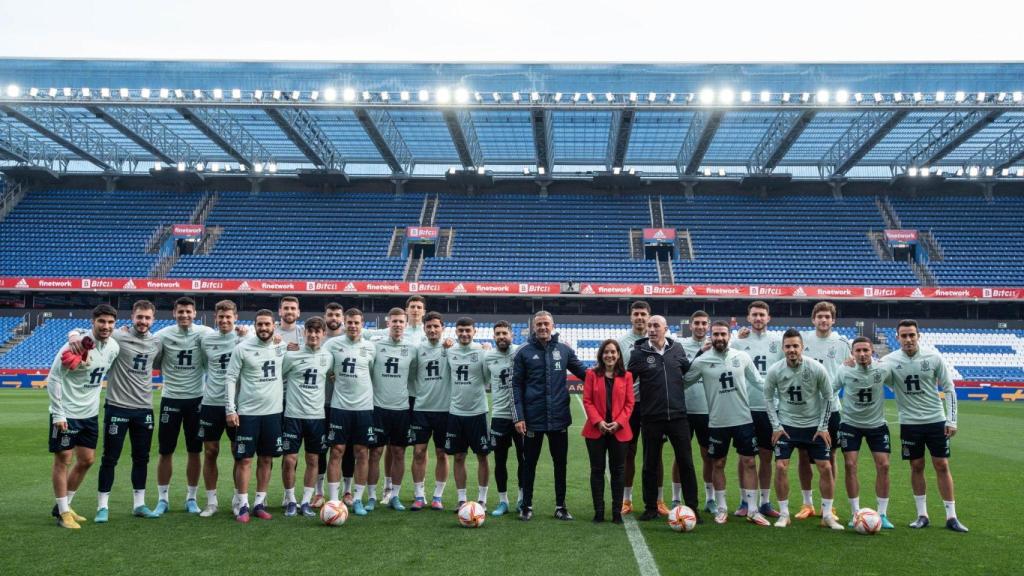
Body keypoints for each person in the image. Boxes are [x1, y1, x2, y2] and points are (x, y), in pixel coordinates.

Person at [881, 319, 966, 532]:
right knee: (916, 466)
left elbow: (949, 389)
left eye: (912, 335)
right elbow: (876, 376)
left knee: (942, 465)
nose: (908, 339)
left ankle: (951, 516)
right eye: (904, 335)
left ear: (918, 336)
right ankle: (922, 515)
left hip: (936, 420)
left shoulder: (933, 357)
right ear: (897, 337)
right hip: (909, 423)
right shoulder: (889, 361)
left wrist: (951, 419)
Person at [683, 321, 771, 526]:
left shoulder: (742, 357)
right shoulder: (702, 361)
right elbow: (683, 382)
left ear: (729, 336)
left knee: (749, 462)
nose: (719, 338)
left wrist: (779, 393)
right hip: (717, 421)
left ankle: (752, 509)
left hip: (743, 419)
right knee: (718, 463)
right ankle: (722, 508)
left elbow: (759, 382)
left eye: (723, 334)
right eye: (716, 334)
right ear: (710, 337)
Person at [88, 299, 163, 522]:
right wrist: (74, 334)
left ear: (153, 320)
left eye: (147, 318)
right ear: (132, 317)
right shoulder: (117, 336)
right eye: (139, 317)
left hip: (144, 409)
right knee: (110, 458)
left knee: (142, 458)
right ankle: (103, 507)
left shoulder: (156, 342)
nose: (143, 321)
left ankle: (139, 504)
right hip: (117, 406)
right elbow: (89, 332)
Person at [511, 311, 588, 521]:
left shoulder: (563, 350)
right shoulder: (523, 352)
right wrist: (518, 417)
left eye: (546, 324)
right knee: (529, 464)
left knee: (560, 463)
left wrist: (611, 375)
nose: (543, 327)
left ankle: (560, 506)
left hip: (559, 419)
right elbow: (515, 386)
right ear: (533, 327)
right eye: (539, 324)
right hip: (532, 419)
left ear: (553, 325)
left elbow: (585, 374)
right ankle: (526, 505)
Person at [48, 304, 120, 529]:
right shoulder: (74, 346)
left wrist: (75, 331)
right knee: (63, 460)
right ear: (93, 322)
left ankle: (63, 506)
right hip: (66, 414)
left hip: (90, 414)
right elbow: (54, 378)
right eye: (102, 322)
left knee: (87, 460)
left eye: (110, 323)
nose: (106, 326)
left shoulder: (113, 347)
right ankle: (63, 514)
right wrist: (58, 412)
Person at [763, 329, 842, 530]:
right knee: (781, 466)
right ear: (782, 348)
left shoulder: (816, 368)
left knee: (825, 467)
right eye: (788, 346)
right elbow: (768, 398)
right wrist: (776, 426)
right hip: (787, 427)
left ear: (802, 347)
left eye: (795, 346)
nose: (792, 350)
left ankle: (827, 515)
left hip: (813, 426)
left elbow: (828, 397)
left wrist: (823, 426)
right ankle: (784, 514)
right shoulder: (775, 370)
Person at [627, 315, 701, 523]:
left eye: (656, 326)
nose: (651, 329)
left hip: (678, 416)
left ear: (665, 329)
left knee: (686, 462)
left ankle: (692, 507)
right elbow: (627, 381)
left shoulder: (677, 349)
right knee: (649, 464)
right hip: (651, 417)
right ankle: (650, 507)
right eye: (649, 326)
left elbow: (688, 372)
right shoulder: (638, 352)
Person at [225, 309, 287, 523]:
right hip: (248, 413)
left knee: (267, 459)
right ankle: (242, 505)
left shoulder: (281, 347)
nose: (263, 328)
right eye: (260, 324)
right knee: (244, 459)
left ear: (274, 326)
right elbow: (231, 378)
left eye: (267, 324)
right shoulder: (242, 348)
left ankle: (260, 502)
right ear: (255, 326)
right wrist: (230, 409)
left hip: (273, 413)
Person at [154, 296, 215, 515]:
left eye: (188, 311)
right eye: (180, 312)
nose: (184, 315)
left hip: (197, 400)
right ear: (174, 313)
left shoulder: (205, 333)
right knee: (165, 451)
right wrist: (75, 333)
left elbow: (228, 337)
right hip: (170, 399)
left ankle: (191, 497)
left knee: (194, 451)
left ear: (195, 313)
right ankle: (163, 499)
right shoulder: (161, 336)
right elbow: (148, 354)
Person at [834, 337, 895, 529]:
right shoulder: (844, 369)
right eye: (858, 351)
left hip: (877, 425)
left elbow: (899, 384)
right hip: (850, 424)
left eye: (865, 350)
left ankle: (883, 514)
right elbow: (830, 390)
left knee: (884, 466)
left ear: (872, 352)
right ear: (852, 353)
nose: (861, 354)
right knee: (850, 465)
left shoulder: (883, 369)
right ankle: (855, 513)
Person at [797, 301, 850, 521]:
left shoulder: (842, 342)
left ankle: (829, 505)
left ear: (833, 320)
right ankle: (807, 503)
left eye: (827, 317)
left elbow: (848, 370)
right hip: (804, 409)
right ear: (813, 319)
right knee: (802, 454)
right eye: (820, 317)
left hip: (831, 409)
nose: (823, 320)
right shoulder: (803, 340)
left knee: (830, 457)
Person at [323, 308, 378, 516]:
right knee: (336, 450)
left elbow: (372, 374)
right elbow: (324, 368)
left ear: (362, 323)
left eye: (357, 322)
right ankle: (335, 499)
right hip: (339, 407)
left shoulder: (371, 348)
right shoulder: (332, 345)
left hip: (364, 408)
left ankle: (356, 499)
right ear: (345, 323)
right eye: (350, 322)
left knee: (362, 452)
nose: (353, 326)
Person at [731, 301, 783, 518]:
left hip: (770, 408)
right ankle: (745, 500)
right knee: (745, 457)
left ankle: (764, 502)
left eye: (762, 314)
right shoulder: (738, 342)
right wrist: (735, 338)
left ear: (768, 318)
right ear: (748, 317)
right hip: (744, 406)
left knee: (766, 456)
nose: (758, 318)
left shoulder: (778, 343)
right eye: (755, 315)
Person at [617, 301, 667, 516]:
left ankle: (659, 500)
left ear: (649, 317)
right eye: (636, 314)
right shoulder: (621, 343)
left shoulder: (657, 341)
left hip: (653, 405)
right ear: (631, 317)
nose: (639, 317)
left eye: (643, 314)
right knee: (628, 452)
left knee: (655, 454)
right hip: (629, 406)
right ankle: (626, 499)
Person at [280, 316, 332, 518]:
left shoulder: (328, 357)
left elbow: (333, 375)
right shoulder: (291, 356)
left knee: (313, 459)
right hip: (293, 415)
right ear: (304, 334)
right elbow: (278, 378)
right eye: (309, 331)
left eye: (317, 332)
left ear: (323, 334)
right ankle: (291, 500)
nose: (313, 335)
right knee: (289, 460)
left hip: (317, 417)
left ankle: (306, 502)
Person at [368, 307, 418, 511]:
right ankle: (371, 496)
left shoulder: (412, 349)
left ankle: (394, 495)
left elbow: (414, 376)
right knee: (375, 453)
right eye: (394, 321)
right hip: (378, 407)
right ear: (388, 322)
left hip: (401, 408)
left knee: (399, 453)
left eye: (401, 321)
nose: (397, 324)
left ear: (406, 324)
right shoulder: (376, 346)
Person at [197, 299, 242, 517]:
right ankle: (211, 502)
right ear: (216, 318)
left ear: (236, 318)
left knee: (238, 452)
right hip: (211, 402)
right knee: (211, 451)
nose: (224, 320)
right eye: (221, 317)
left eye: (228, 317)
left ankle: (237, 499)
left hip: (238, 404)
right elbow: (205, 365)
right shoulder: (206, 340)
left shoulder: (245, 338)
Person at [582, 339, 634, 524]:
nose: (609, 355)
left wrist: (618, 423)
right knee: (597, 470)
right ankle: (599, 511)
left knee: (618, 471)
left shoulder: (627, 376)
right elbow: (587, 401)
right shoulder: (591, 375)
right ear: (601, 355)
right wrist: (599, 422)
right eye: (606, 352)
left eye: (613, 352)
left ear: (618, 355)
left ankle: (616, 512)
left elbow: (630, 403)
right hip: (596, 431)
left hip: (620, 432)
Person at [445, 317, 491, 511]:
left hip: (478, 412)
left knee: (482, 456)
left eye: (467, 330)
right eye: (461, 330)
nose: (464, 334)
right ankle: (461, 499)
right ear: (456, 332)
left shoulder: (482, 352)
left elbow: (487, 380)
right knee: (458, 457)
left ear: (475, 332)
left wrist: (487, 354)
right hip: (456, 412)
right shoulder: (449, 351)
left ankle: (482, 499)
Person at [409, 311, 451, 511]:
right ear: (424, 329)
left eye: (436, 326)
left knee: (442, 453)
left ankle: (438, 496)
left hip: (444, 409)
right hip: (421, 408)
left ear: (442, 328)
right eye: (429, 327)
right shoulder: (418, 350)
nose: (433, 330)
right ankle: (418, 495)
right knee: (418, 452)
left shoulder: (451, 348)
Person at [484, 320, 522, 517]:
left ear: (511, 335)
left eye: (504, 333)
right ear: (494, 336)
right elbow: (482, 379)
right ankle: (503, 501)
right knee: (500, 461)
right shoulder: (488, 356)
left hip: (520, 416)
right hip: (499, 415)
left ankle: (522, 498)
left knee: (524, 460)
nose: (501, 337)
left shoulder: (520, 352)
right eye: (497, 334)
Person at [679, 310, 714, 514]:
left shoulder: (718, 346)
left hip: (708, 409)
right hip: (683, 409)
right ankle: (676, 498)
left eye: (704, 323)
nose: (700, 326)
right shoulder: (680, 346)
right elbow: (682, 372)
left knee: (707, 455)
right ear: (690, 325)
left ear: (708, 325)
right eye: (697, 323)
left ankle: (710, 498)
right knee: (681, 455)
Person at [312, 302, 345, 507]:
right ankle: (318, 491)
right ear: (325, 316)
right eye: (330, 314)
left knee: (343, 448)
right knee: (320, 448)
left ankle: (347, 491)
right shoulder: (318, 338)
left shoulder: (353, 338)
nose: (333, 318)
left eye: (337, 314)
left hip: (341, 403)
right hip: (320, 402)